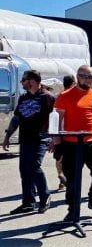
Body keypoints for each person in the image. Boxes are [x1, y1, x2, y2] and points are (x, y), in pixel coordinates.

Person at [54, 65, 92, 220]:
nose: (89, 80)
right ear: (77, 77)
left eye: (91, 77)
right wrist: (57, 143)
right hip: (71, 144)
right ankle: (72, 209)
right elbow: (57, 121)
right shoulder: (64, 96)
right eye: (85, 76)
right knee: (72, 179)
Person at [2, 70, 55, 214]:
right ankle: (28, 202)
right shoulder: (24, 98)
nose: (21, 83)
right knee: (25, 170)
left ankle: (45, 196)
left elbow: (56, 118)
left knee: (34, 166)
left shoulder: (47, 97)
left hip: (41, 138)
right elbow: (17, 118)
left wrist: (54, 138)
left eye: (23, 80)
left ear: (32, 81)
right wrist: (7, 136)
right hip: (25, 139)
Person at [54, 74, 75, 192]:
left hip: (58, 132)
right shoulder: (71, 97)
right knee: (69, 159)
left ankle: (61, 178)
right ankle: (65, 178)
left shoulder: (58, 96)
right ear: (73, 83)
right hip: (69, 132)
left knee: (58, 157)